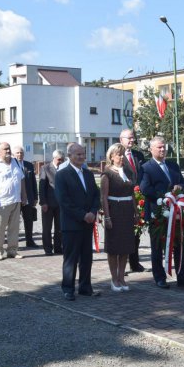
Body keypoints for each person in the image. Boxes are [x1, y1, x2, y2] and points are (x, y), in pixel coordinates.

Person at [140, 136, 184, 289]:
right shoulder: (146, 167)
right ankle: (160, 277)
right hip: (157, 213)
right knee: (157, 247)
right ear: (151, 149)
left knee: (180, 244)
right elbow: (145, 189)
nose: (162, 149)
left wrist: (180, 187)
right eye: (159, 147)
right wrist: (165, 196)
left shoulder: (173, 165)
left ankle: (182, 276)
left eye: (164, 147)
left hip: (177, 212)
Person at [54, 143, 100, 301]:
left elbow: (95, 195)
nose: (81, 157)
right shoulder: (62, 174)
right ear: (69, 156)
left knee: (87, 257)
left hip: (88, 223)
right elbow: (63, 201)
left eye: (83, 154)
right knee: (71, 258)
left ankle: (85, 287)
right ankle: (68, 288)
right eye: (78, 154)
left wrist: (93, 212)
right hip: (72, 224)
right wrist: (83, 215)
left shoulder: (88, 174)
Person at [101, 143, 137, 292]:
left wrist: (135, 212)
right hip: (114, 211)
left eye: (123, 154)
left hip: (127, 211)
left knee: (125, 247)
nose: (121, 157)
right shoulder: (107, 173)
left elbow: (132, 193)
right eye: (118, 154)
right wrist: (107, 217)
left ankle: (122, 277)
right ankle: (114, 278)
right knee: (114, 248)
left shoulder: (128, 172)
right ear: (111, 156)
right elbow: (103, 197)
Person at [0, 142, 27, 261]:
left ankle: (12, 250)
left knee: (14, 228)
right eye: (5, 149)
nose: (8, 151)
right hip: (0, 202)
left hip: (15, 200)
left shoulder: (16, 162)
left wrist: (24, 196)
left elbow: (22, 179)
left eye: (9, 149)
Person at [119, 129, 146, 273]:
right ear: (121, 139)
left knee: (136, 232)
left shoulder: (139, 155)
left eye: (133, 138)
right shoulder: (117, 155)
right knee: (123, 234)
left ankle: (134, 263)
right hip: (123, 199)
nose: (131, 140)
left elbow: (144, 174)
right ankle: (121, 265)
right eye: (128, 138)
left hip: (139, 198)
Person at [39, 150, 64, 256]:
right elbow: (42, 186)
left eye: (62, 160)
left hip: (61, 204)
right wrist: (43, 202)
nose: (61, 161)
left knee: (60, 227)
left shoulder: (64, 169)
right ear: (54, 158)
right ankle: (48, 248)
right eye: (59, 159)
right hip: (48, 204)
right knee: (47, 227)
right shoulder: (45, 168)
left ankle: (58, 247)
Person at [13, 146, 39, 248]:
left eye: (21, 153)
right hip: (15, 198)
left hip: (28, 198)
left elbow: (33, 182)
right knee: (14, 221)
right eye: (17, 153)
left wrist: (35, 197)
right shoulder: (11, 165)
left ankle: (30, 240)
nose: (20, 155)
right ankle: (14, 242)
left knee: (29, 220)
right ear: (14, 154)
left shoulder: (29, 165)